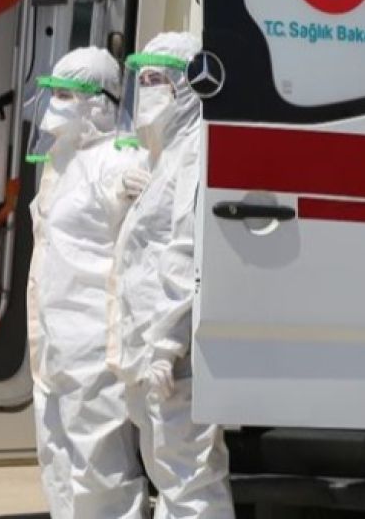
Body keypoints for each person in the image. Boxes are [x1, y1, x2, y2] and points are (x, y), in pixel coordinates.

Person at [107, 31, 234, 518]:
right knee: (170, 476)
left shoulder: (197, 152)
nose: (146, 91)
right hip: (150, 352)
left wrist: (165, 345)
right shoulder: (165, 157)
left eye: (156, 80)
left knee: (190, 480)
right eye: (141, 80)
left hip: (174, 356)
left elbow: (188, 250)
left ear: (187, 86)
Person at [27, 47, 150, 518]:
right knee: (57, 461)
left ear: (98, 102)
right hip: (52, 340)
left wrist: (135, 188)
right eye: (54, 92)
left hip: (93, 344)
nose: (55, 104)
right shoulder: (60, 162)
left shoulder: (120, 159)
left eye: (67, 95)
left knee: (100, 471)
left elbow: (142, 235)